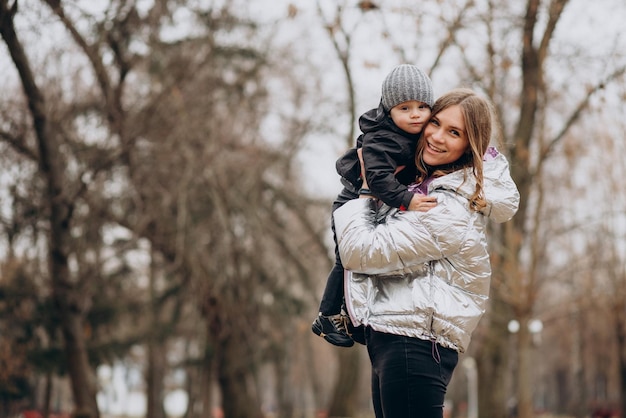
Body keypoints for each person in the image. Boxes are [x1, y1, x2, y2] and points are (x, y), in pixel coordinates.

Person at [333, 88, 520, 417]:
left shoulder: (448, 204)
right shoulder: (423, 188)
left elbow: (359, 251)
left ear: (470, 145)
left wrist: (366, 190)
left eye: (454, 132)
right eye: (435, 123)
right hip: (396, 337)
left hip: (417, 342)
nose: (436, 136)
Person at [312, 64, 438, 347]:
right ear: (389, 111)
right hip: (352, 203)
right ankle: (326, 315)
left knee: (368, 261)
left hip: (374, 204)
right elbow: (378, 178)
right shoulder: (381, 138)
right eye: (404, 108)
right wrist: (408, 200)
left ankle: (354, 318)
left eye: (422, 106)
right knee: (347, 260)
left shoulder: (418, 135)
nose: (415, 114)